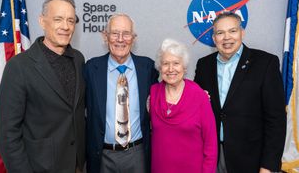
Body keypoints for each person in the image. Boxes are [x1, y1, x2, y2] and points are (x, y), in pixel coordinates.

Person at [0, 0, 85, 173]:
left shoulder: (78, 59)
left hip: (76, 166)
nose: (66, 27)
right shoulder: (19, 66)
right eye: (58, 19)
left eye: (70, 20)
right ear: (42, 21)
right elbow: (7, 134)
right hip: (39, 168)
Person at [194, 11, 287, 173]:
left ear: (242, 33)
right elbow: (194, 108)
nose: (226, 37)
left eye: (232, 31)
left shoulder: (265, 63)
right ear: (214, 38)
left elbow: (276, 120)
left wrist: (269, 165)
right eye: (220, 33)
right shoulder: (203, 65)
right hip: (212, 157)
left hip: (251, 160)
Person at [83, 13, 159, 173]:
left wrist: (198, 96)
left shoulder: (148, 68)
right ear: (105, 36)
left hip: (137, 153)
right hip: (102, 155)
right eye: (114, 33)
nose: (120, 39)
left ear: (134, 38)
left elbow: (169, 91)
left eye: (126, 33)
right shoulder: (91, 69)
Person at [149, 38, 217, 173]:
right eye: (165, 63)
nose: (170, 69)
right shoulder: (153, 93)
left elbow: (211, 145)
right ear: (160, 67)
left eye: (176, 63)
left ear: (184, 67)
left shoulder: (199, 96)